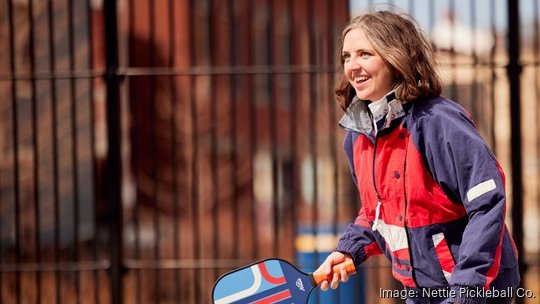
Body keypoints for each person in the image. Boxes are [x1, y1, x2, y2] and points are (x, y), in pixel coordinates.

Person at [317, 10, 520, 304]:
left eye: (364, 54)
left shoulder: (438, 122)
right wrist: (349, 249)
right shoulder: (358, 135)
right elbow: (380, 211)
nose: (353, 66)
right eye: (347, 56)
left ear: (396, 59)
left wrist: (466, 292)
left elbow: (487, 202)